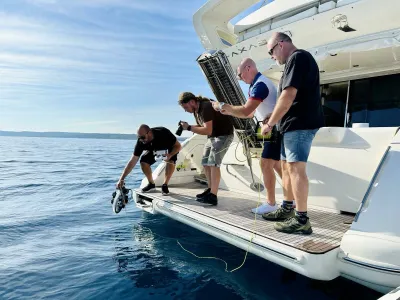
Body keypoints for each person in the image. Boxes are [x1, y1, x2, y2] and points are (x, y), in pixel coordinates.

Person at [260, 32, 324, 234]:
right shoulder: (294, 62)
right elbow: (287, 99)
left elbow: (288, 96)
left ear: (280, 45)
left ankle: (302, 219)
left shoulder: (298, 57)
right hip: (290, 125)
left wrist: (270, 123)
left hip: (300, 124)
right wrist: (274, 115)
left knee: (295, 169)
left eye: (271, 52)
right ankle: (287, 208)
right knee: (287, 168)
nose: (272, 57)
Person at [212, 57, 285, 215]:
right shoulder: (254, 85)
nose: (239, 78)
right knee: (277, 166)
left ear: (248, 68)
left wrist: (223, 106)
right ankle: (289, 200)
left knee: (265, 164)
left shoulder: (260, 85)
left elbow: (246, 111)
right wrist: (229, 111)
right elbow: (250, 113)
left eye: (239, 75)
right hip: (265, 128)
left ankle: (271, 203)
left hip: (273, 128)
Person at [178, 92, 234, 205]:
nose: (185, 110)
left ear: (192, 102)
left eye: (186, 107)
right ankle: (210, 189)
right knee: (205, 163)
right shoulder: (197, 110)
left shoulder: (206, 107)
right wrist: (188, 126)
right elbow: (203, 126)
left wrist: (189, 128)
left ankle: (213, 196)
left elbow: (207, 130)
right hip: (213, 137)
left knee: (213, 164)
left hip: (223, 135)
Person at [116, 124, 181, 195]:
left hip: (169, 149)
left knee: (171, 160)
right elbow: (133, 160)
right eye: (139, 137)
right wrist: (121, 178)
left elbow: (178, 146)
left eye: (143, 137)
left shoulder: (163, 133)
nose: (141, 140)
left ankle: (165, 185)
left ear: (149, 133)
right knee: (143, 161)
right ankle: (151, 184)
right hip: (154, 150)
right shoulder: (140, 142)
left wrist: (170, 155)